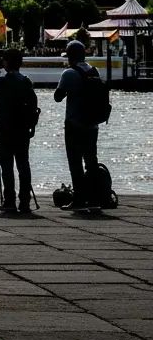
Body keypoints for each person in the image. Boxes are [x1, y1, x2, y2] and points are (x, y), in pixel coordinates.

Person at [0, 48, 39, 214]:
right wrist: (31, 126)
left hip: (4, 128)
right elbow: (34, 104)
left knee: (6, 165)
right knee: (23, 165)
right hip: (22, 128)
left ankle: (9, 201)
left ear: (5, 62)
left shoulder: (1, 80)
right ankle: (25, 202)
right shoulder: (26, 81)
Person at [54, 39, 101, 213]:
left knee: (75, 162)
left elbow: (58, 97)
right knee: (91, 161)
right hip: (93, 124)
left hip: (74, 123)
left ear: (70, 57)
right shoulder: (94, 70)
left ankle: (80, 199)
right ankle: (95, 199)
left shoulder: (69, 73)